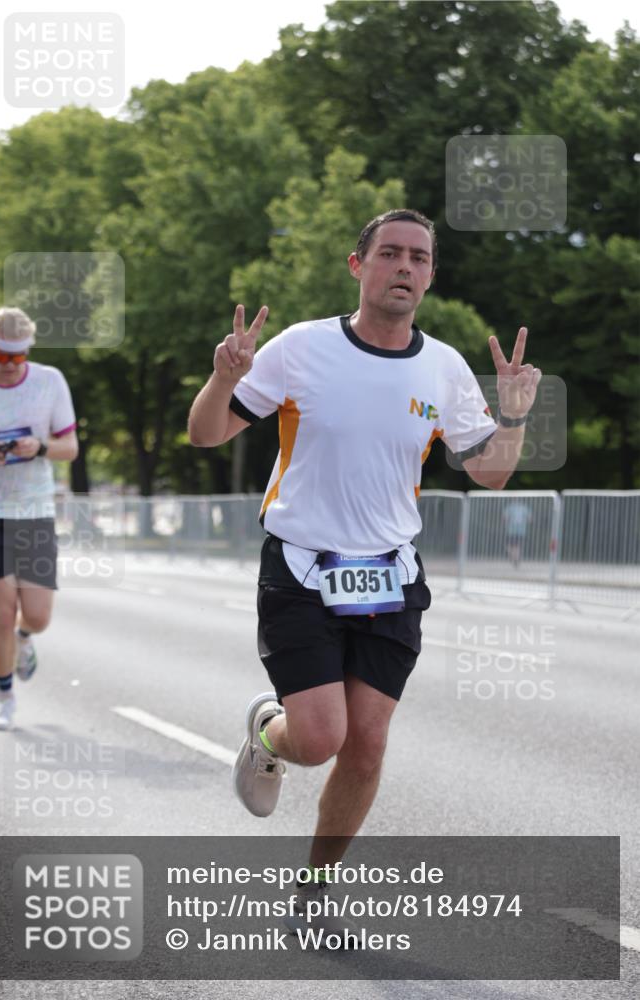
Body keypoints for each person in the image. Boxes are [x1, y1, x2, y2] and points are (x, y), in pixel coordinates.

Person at [188, 208, 541, 934]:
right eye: (390, 253)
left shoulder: (443, 367)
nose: (404, 267)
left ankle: (315, 894)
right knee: (319, 739)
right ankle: (269, 733)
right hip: (300, 566)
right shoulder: (300, 347)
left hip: (390, 575)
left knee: (367, 743)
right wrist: (222, 380)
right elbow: (205, 432)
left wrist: (511, 418)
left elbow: (492, 474)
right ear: (358, 265)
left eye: (419, 257)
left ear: (430, 275)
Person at [0, 307, 78, 730]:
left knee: (36, 616)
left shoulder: (49, 381)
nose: (10, 364)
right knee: (2, 611)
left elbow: (70, 447)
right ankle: (5, 700)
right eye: (2, 355)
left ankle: (24, 637)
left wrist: (39, 447)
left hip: (34, 511)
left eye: (18, 356)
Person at [503, 498, 532, 568]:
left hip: (511, 530)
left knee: (510, 545)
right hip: (521, 530)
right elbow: (530, 519)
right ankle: (515, 558)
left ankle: (514, 557)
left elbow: (505, 518)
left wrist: (507, 522)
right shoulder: (524, 507)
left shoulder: (510, 507)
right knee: (517, 546)